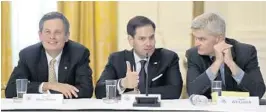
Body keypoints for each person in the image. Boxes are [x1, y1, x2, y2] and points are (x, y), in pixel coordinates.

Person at [5, 11, 93, 99]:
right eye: (47, 32)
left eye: (57, 32)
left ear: (66, 36)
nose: (52, 37)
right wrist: (48, 86)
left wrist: (48, 95)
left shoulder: (79, 53)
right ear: (40, 35)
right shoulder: (27, 55)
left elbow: (86, 90)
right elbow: (11, 90)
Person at [95, 16, 183, 99]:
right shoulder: (117, 59)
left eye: (151, 37)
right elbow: (99, 91)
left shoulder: (168, 58)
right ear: (131, 40)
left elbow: (175, 91)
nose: (148, 43)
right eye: (142, 39)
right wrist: (123, 83)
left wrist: (138, 93)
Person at [186, 12, 265, 99]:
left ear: (219, 38)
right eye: (195, 38)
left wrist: (231, 64)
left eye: (201, 39)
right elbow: (192, 92)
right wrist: (217, 63)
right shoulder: (193, 55)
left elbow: (258, 92)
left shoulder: (246, 52)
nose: (196, 43)